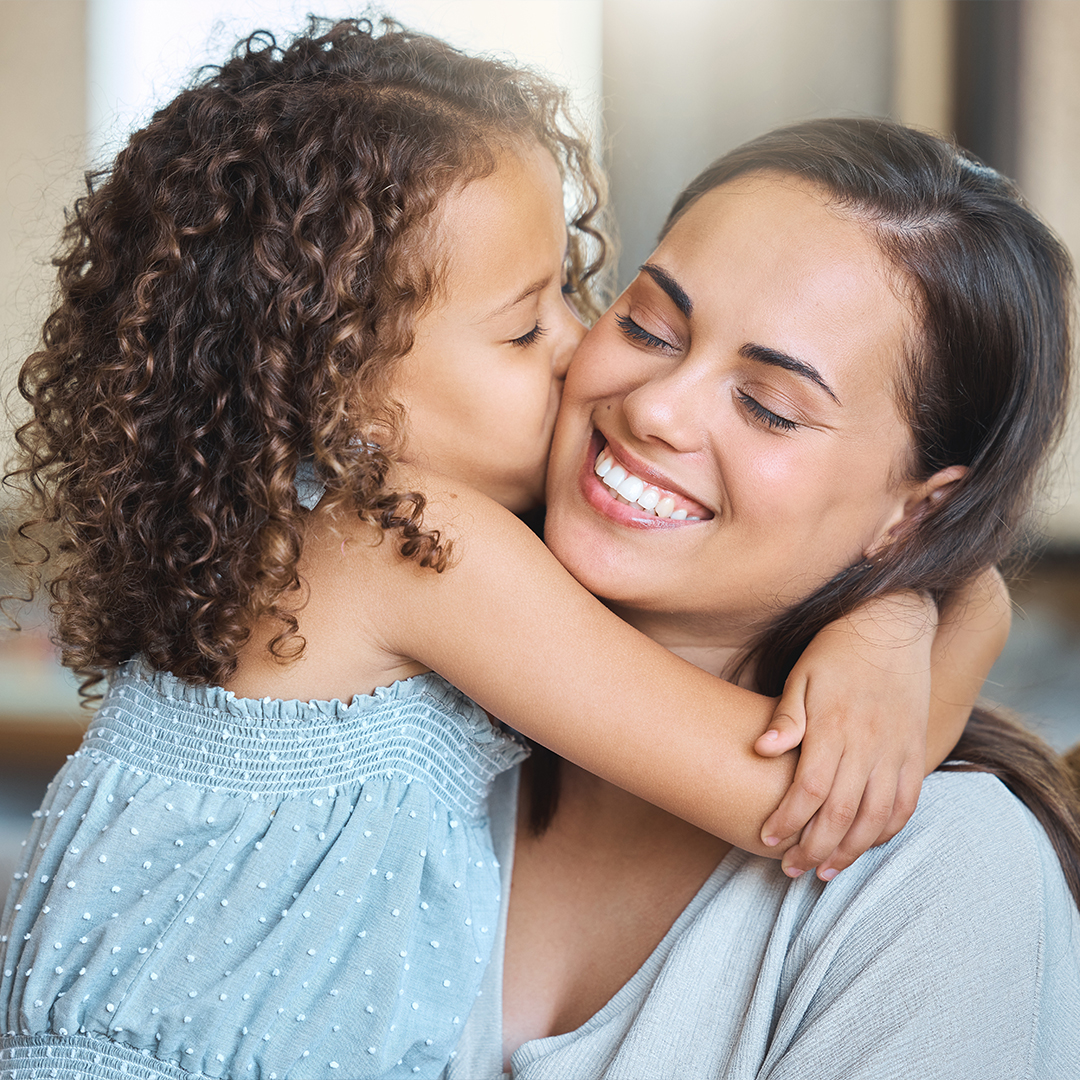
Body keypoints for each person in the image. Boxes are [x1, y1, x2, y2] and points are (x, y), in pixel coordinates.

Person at [0, 19, 1003, 1080]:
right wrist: (943, 604)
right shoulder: (410, 543)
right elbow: (798, 803)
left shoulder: (312, 542)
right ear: (342, 388)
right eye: (525, 328)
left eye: (571, 290)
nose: (580, 348)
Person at [445, 119, 1080, 1079]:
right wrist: (912, 604)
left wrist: (915, 604)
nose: (654, 407)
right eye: (648, 327)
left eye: (768, 406)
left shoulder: (945, 877)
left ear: (916, 511)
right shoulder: (391, 688)